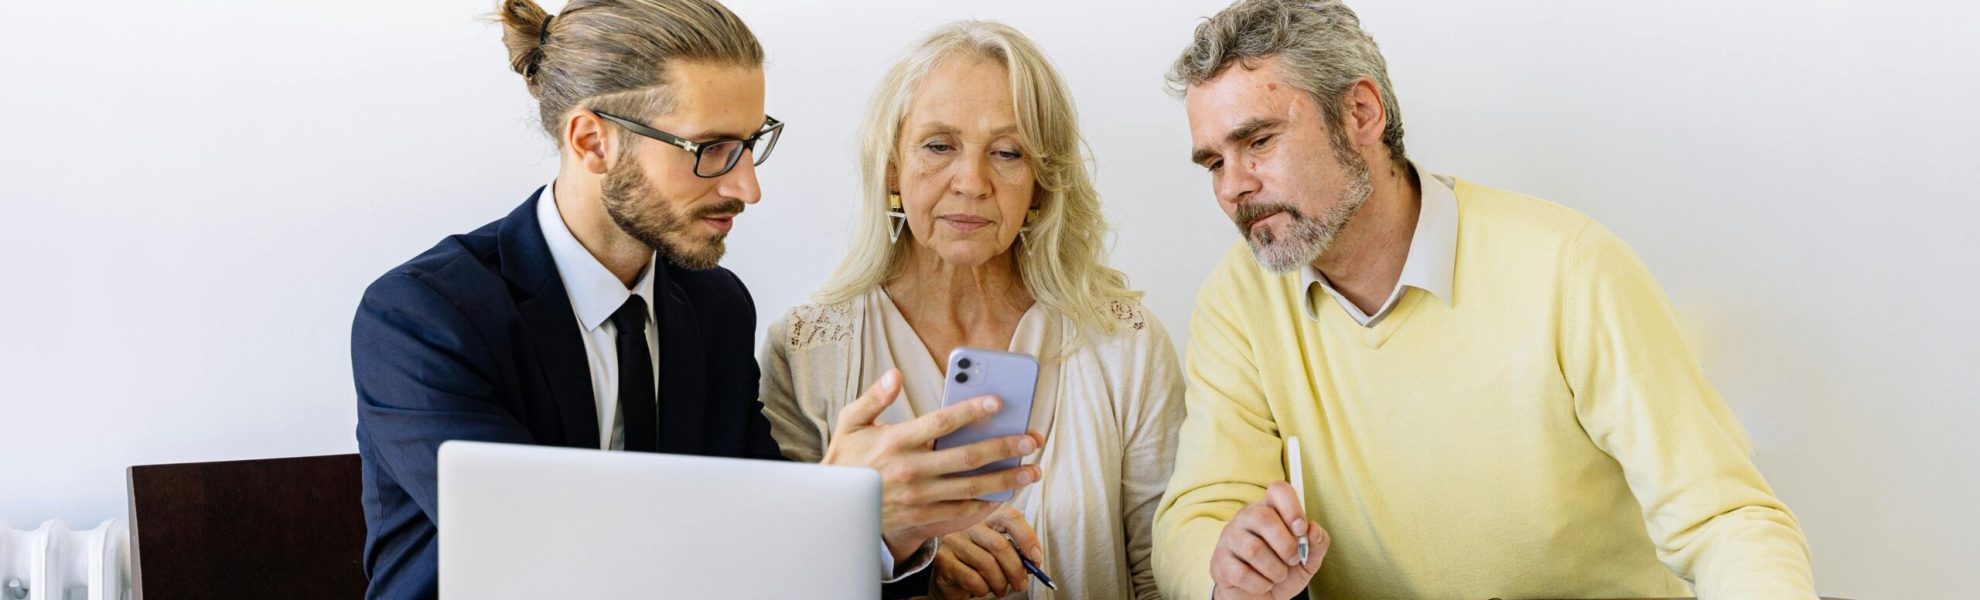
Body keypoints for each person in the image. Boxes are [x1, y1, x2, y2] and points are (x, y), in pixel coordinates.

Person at [350, 2, 1039, 597]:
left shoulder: (714, 309)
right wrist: (837, 504)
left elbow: (775, 569)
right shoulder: (423, 318)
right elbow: (552, 569)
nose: (747, 187)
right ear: (592, 141)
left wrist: (894, 527)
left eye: (749, 145)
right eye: (709, 149)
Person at [1149, 1, 1818, 598]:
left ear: (1360, 114)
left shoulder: (1569, 267)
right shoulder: (1238, 300)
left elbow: (1725, 519)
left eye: (1258, 141)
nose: (1233, 187)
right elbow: (1200, 510)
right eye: (1213, 162)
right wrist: (1225, 570)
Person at [758, 21, 1183, 600]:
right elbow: (780, 576)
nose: (972, 181)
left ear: (1040, 182)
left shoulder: (1122, 343)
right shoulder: (808, 350)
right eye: (938, 146)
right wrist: (897, 540)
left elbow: (1163, 575)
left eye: (1007, 152)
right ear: (891, 168)